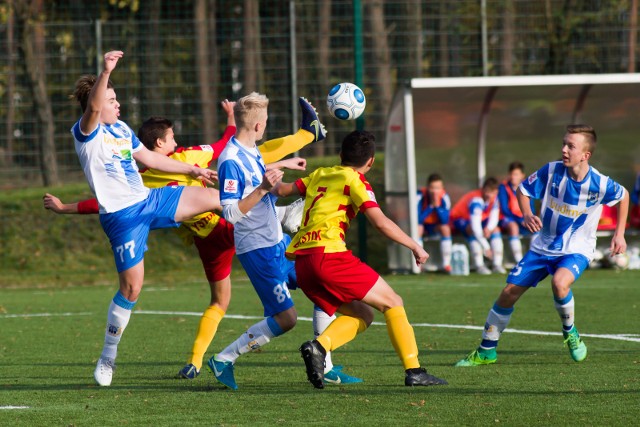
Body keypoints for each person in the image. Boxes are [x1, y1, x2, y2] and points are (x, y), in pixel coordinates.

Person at [46, 100, 361, 385]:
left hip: (209, 240)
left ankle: (197, 361)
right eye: (171, 138)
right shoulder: (161, 166)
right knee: (237, 200)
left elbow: (98, 202)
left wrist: (64, 208)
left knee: (222, 300)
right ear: (159, 143)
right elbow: (226, 147)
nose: (177, 142)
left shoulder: (145, 173)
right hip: (232, 228)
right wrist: (255, 140)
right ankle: (286, 205)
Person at [71, 50, 221, 387]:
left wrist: (193, 169)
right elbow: (94, 107)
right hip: (122, 217)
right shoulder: (86, 132)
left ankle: (282, 220)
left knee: (218, 200)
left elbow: (152, 161)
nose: (117, 104)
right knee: (132, 287)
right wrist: (105, 71)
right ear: (97, 102)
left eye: (116, 98)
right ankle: (108, 357)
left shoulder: (122, 128)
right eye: (112, 99)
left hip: (149, 200)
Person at [273, 130, 448, 388]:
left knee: (363, 314)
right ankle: (415, 371)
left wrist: (268, 171)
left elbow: (282, 189)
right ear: (371, 162)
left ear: (341, 155)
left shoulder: (320, 174)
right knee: (393, 303)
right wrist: (414, 246)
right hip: (329, 256)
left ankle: (318, 347)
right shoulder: (356, 181)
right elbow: (380, 223)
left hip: (303, 263)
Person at [455, 124, 629, 367]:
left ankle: (570, 333)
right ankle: (486, 351)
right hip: (542, 247)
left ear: (585, 155)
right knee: (508, 294)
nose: (564, 149)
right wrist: (526, 214)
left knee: (560, 283)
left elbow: (623, 196)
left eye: (571, 146)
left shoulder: (600, 183)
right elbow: (523, 190)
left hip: (576, 249)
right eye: (564, 143)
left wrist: (619, 234)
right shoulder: (551, 171)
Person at [205, 92, 308, 390]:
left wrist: (286, 165)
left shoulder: (253, 151)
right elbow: (229, 213)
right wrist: (264, 189)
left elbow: (263, 179)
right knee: (287, 318)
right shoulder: (230, 161)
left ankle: (325, 362)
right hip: (257, 249)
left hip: (279, 241)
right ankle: (225, 358)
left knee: (319, 279)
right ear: (259, 125)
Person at [450, 177, 505, 274]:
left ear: (496, 192)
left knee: (495, 229)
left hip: (478, 220)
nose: (489, 195)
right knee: (471, 230)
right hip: (460, 219)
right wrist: (486, 246)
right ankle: (479, 265)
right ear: (483, 190)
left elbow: (494, 217)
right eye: (487, 191)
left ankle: (497, 264)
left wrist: (489, 229)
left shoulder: (495, 199)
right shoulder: (476, 200)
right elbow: (475, 226)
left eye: (493, 192)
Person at [498, 161, 535, 263]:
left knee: (536, 227)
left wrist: (529, 218)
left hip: (523, 219)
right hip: (508, 219)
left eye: (516, 174)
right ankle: (520, 262)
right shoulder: (503, 187)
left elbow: (532, 208)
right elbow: (504, 209)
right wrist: (520, 220)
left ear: (522, 175)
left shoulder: (527, 187)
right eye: (512, 174)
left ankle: (533, 260)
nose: (513, 177)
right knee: (513, 227)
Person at [417, 173, 453, 273]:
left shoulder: (445, 197)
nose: (435, 191)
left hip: (436, 227)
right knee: (418, 228)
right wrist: (431, 207)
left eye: (438, 188)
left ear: (442, 188)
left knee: (445, 228)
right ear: (428, 187)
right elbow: (418, 219)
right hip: (424, 226)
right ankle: (418, 265)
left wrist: (437, 206)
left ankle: (446, 265)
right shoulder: (420, 195)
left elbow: (445, 220)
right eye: (432, 188)